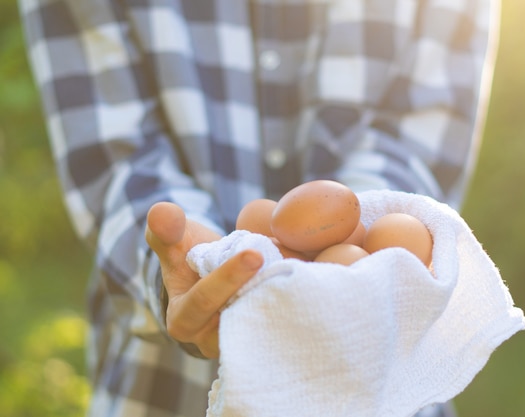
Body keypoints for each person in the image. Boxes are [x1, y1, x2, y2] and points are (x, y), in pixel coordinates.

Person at [20, 0, 499, 415]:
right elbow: (117, 153)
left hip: (378, 395)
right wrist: (184, 263)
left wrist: (352, 261)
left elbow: (415, 141)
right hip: (165, 394)